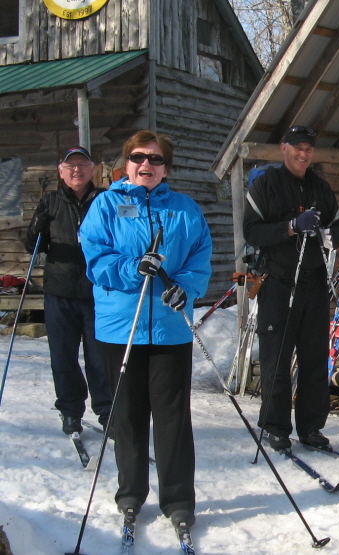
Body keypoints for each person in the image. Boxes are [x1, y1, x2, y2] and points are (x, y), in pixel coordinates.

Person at [80, 130, 212, 530]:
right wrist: (131, 268)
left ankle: (178, 500)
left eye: (155, 160)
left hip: (171, 329)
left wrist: (184, 289)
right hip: (121, 327)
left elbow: (199, 259)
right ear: (127, 163)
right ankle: (131, 494)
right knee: (128, 416)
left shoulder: (186, 210)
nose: (146, 165)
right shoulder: (106, 205)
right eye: (139, 158)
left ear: (165, 168)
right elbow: (96, 256)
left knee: (173, 417)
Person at [243, 126, 339, 452]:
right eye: (297, 147)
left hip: (313, 281)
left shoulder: (320, 187)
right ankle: (275, 426)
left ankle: (311, 427)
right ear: (284, 148)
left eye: (308, 149)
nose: (303, 154)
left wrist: (332, 236)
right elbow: (251, 231)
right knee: (277, 358)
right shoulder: (266, 185)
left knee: (315, 358)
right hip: (278, 280)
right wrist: (289, 228)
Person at [25, 147, 112, 436]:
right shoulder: (50, 202)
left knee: (100, 356)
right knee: (63, 356)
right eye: (70, 165)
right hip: (59, 291)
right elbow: (33, 246)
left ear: (92, 169)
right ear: (61, 171)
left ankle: (108, 412)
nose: (77, 170)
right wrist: (37, 228)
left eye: (82, 164)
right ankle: (71, 411)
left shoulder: (104, 199)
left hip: (96, 291)